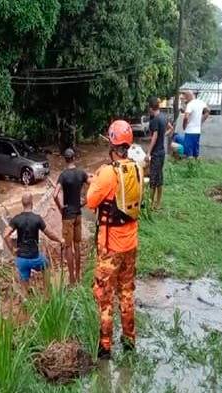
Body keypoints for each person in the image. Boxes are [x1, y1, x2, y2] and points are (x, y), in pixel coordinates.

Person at [87, 120, 142, 359]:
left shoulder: (107, 173)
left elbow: (90, 202)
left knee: (105, 296)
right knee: (127, 292)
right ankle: (129, 340)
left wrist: (97, 178)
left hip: (110, 248)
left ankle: (105, 346)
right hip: (131, 244)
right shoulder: (137, 168)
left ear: (112, 144)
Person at [4, 193, 64, 295]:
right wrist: (60, 240)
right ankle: (47, 293)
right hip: (35, 257)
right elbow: (49, 233)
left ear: (22, 204)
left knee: (24, 281)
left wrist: (12, 250)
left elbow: (5, 235)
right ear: (32, 203)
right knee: (46, 265)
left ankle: (27, 300)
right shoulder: (37, 218)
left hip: (21, 258)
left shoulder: (16, 219)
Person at [53, 148, 90, 285]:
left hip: (67, 215)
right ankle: (79, 277)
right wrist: (85, 201)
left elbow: (55, 195)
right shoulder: (81, 173)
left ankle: (72, 279)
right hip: (78, 214)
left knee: (68, 247)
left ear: (65, 159)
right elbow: (93, 184)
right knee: (77, 245)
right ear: (74, 158)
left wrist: (61, 208)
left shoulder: (63, 176)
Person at [145, 97, 167, 210]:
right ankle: (158, 203)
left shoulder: (155, 120)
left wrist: (148, 153)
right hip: (162, 152)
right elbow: (170, 129)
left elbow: (155, 136)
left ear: (150, 108)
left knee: (153, 180)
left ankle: (150, 205)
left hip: (156, 154)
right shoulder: (163, 117)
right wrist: (164, 136)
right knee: (159, 178)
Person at [181, 90, 210, 159]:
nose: (185, 99)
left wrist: (184, 125)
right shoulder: (201, 102)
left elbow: (186, 117)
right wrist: (201, 121)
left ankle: (190, 168)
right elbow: (208, 111)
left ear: (188, 96)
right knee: (195, 153)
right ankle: (196, 167)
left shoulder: (190, 104)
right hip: (197, 132)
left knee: (189, 153)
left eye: (186, 97)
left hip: (189, 131)